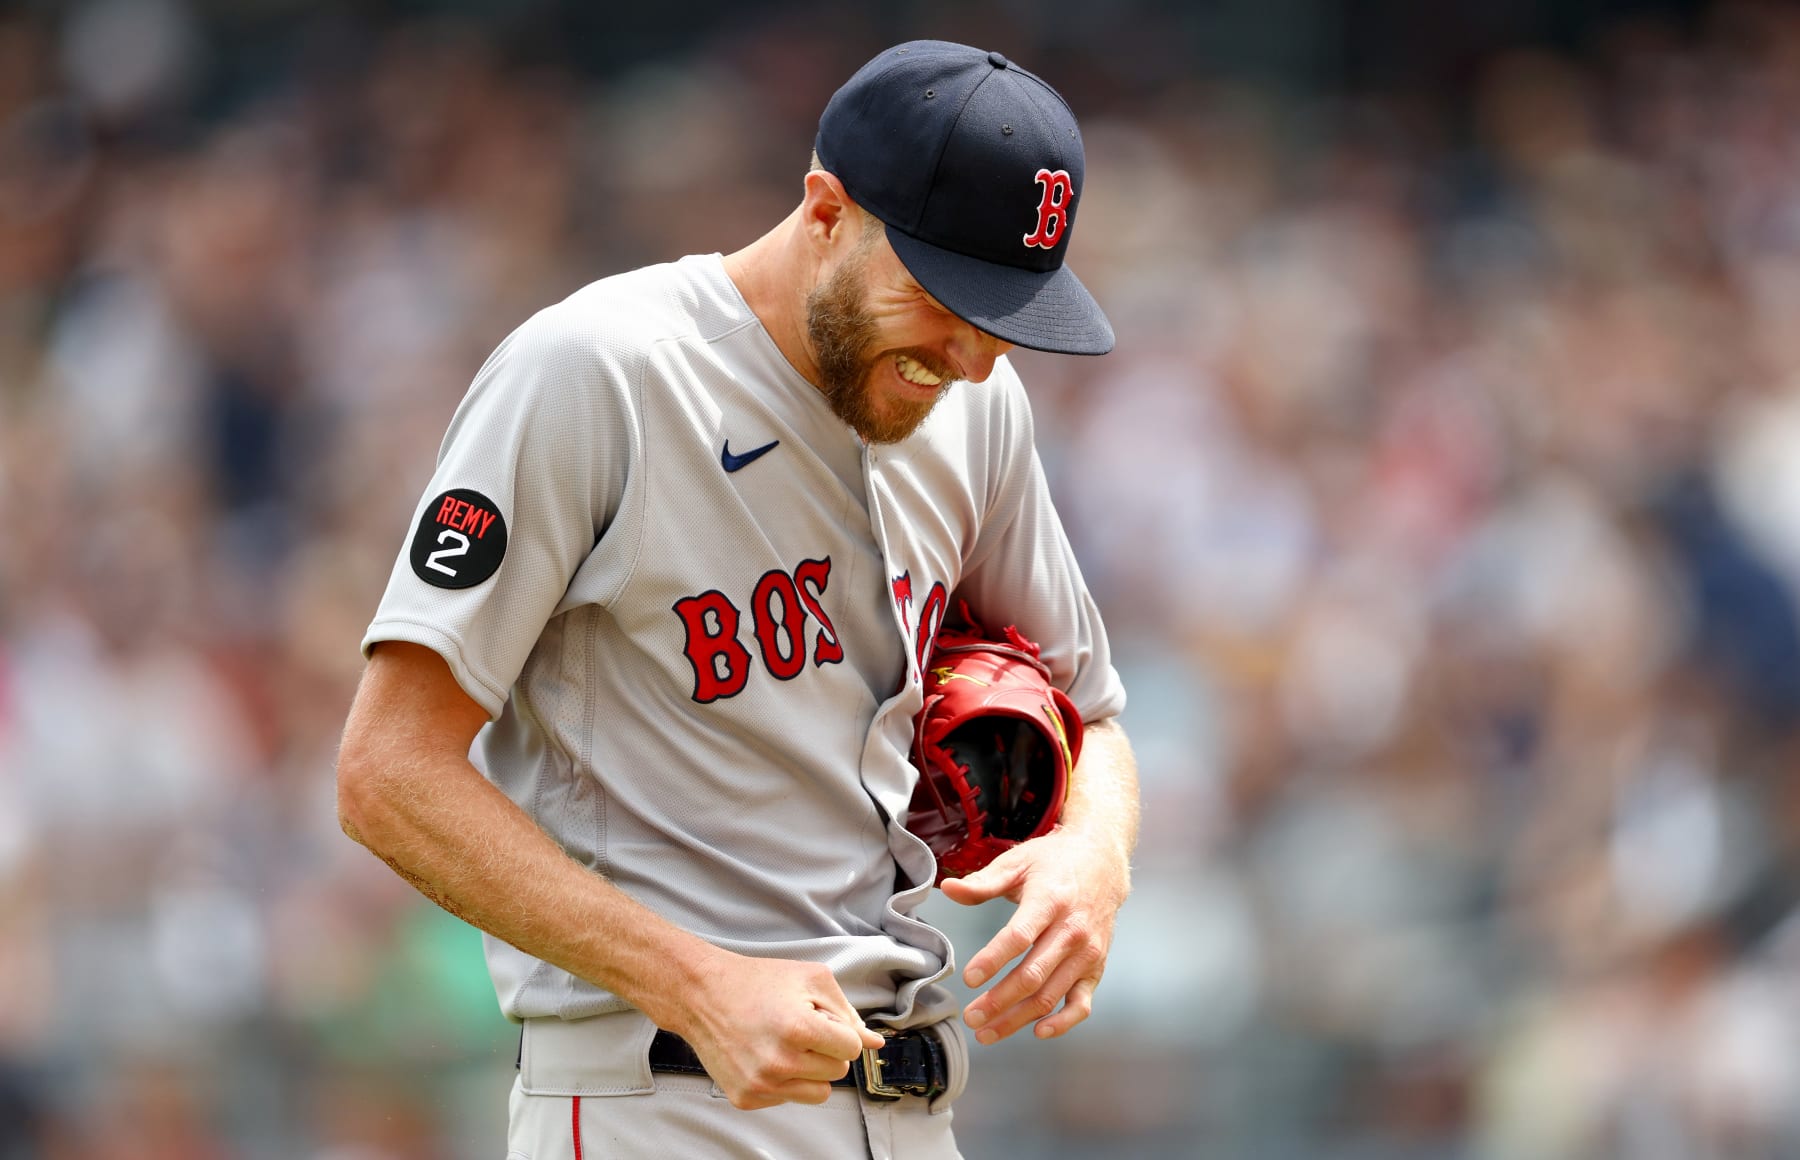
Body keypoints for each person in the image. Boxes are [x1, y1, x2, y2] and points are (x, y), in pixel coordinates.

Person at [336, 39, 1140, 1159]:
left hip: (916, 1105)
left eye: (1002, 313)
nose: (967, 353)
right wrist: (692, 979)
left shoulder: (977, 411)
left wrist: (1095, 851)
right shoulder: (597, 372)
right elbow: (387, 773)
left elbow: (1088, 708)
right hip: (659, 1097)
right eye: (941, 290)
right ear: (824, 208)